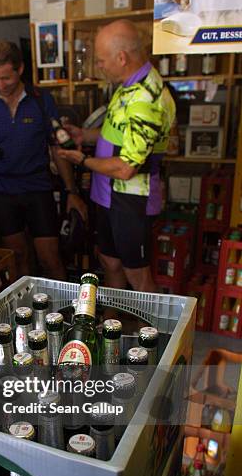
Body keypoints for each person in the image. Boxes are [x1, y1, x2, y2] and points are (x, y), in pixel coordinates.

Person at [58, 20, 176, 292]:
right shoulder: (127, 85)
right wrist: (83, 136)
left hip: (130, 199)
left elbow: (126, 168)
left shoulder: (146, 98)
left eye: (101, 60)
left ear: (121, 58)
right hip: (108, 194)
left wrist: (83, 161)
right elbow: (119, 134)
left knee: (137, 273)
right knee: (109, 261)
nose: (99, 66)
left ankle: (151, 333)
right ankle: (111, 326)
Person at [0, 40, 86, 280]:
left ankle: (60, 314)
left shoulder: (41, 100)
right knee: (18, 258)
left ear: (20, 69)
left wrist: (71, 191)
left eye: (6, 78)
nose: (0, 85)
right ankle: (27, 313)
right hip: (2, 191)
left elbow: (57, 147)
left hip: (38, 188)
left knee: (50, 259)